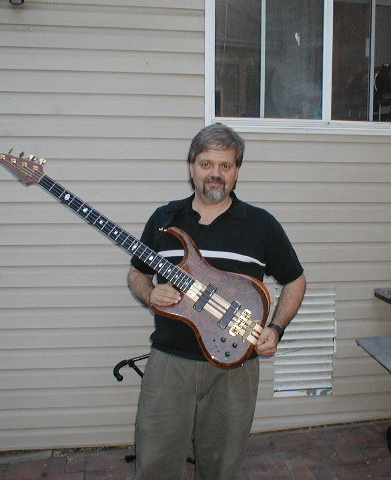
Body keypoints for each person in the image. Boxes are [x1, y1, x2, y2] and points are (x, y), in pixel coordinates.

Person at [127, 123, 306, 480]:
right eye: (207, 164)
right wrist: (150, 294)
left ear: (237, 170)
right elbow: (137, 274)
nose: (215, 174)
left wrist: (276, 329)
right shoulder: (164, 220)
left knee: (222, 466)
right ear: (191, 166)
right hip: (169, 362)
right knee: (155, 462)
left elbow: (295, 280)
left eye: (226, 166)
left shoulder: (261, 224)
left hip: (233, 368)